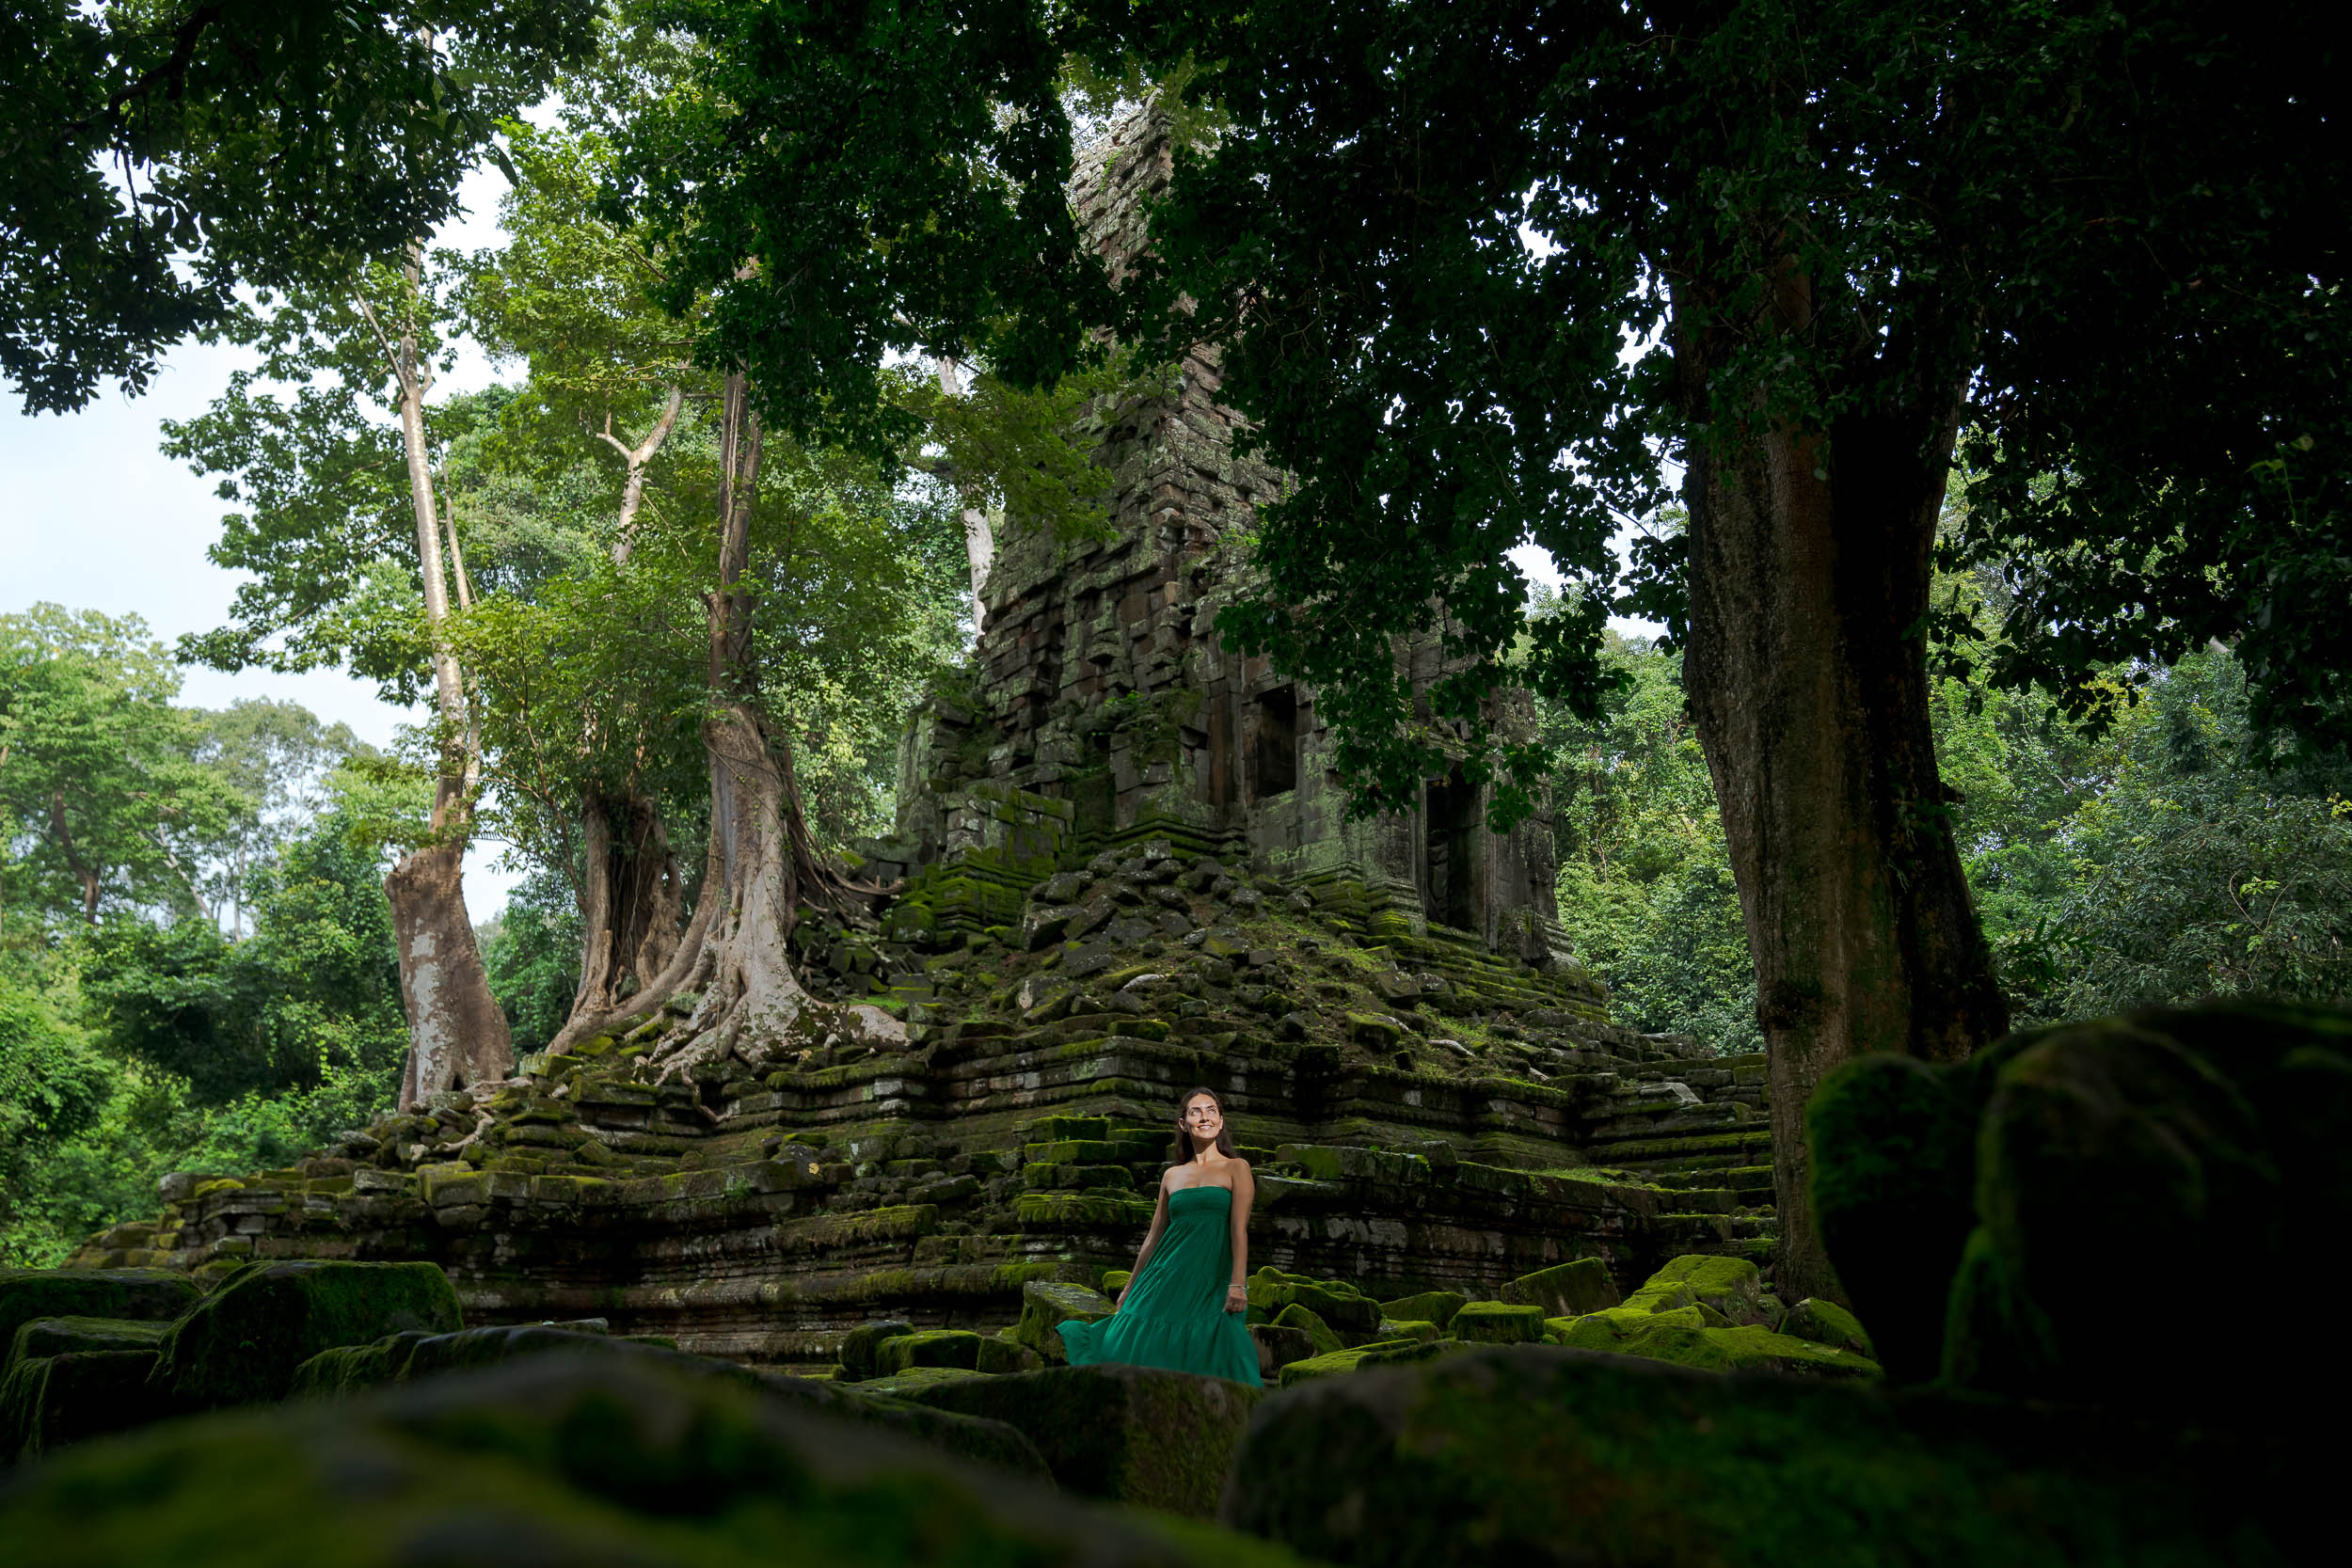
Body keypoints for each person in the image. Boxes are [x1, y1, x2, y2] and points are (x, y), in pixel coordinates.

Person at [1057, 1086, 1264, 1386]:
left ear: (1220, 1121)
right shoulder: (1172, 1176)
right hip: (1165, 1274)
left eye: (1211, 1110)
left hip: (1210, 1276)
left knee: (1226, 1341)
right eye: (1196, 1111)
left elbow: (1238, 1230)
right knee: (1132, 1341)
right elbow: (1154, 1238)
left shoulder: (1237, 1168)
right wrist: (1129, 1287)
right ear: (1183, 1124)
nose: (1204, 1117)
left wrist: (1238, 1284)